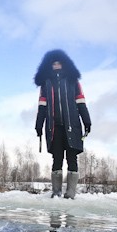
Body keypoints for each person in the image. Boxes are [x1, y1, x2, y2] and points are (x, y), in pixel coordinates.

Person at [34, 49, 92, 199]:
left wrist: (86, 120)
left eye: (59, 62)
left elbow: (81, 102)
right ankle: (56, 192)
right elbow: (42, 106)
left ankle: (71, 193)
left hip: (72, 126)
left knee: (72, 158)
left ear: (64, 64)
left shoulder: (73, 81)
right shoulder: (46, 84)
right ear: (49, 66)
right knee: (57, 159)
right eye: (54, 63)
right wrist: (39, 124)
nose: (57, 65)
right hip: (54, 128)